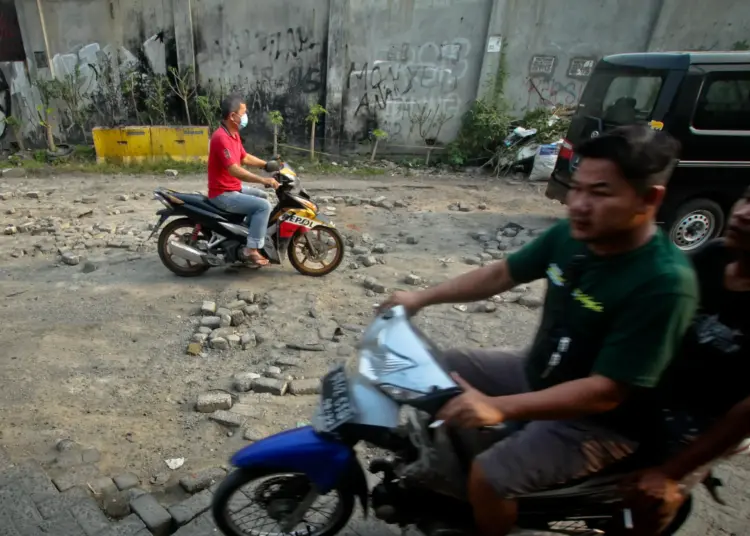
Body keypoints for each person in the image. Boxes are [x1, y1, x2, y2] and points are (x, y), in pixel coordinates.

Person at [378, 124, 698, 536]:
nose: (578, 204)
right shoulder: (573, 236)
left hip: (599, 422)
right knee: (443, 365)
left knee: (490, 477)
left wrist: (502, 407)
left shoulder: (664, 282)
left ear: (649, 199)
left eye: (600, 193)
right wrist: (420, 297)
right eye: (576, 187)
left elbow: (606, 392)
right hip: (540, 371)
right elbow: (502, 274)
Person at [622, 187, 750, 535]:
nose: (743, 213)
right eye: (748, 199)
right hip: (652, 387)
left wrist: (672, 474)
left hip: (700, 424)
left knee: (645, 504)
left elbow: (744, 414)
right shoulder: (713, 255)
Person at [208, 93, 281, 266]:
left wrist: (267, 165)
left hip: (232, 188)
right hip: (222, 194)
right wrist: (263, 180)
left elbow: (244, 157)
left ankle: (244, 235)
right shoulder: (221, 138)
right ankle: (251, 249)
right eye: (244, 112)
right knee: (263, 207)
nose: (246, 116)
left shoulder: (233, 134)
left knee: (263, 197)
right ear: (233, 116)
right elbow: (234, 169)